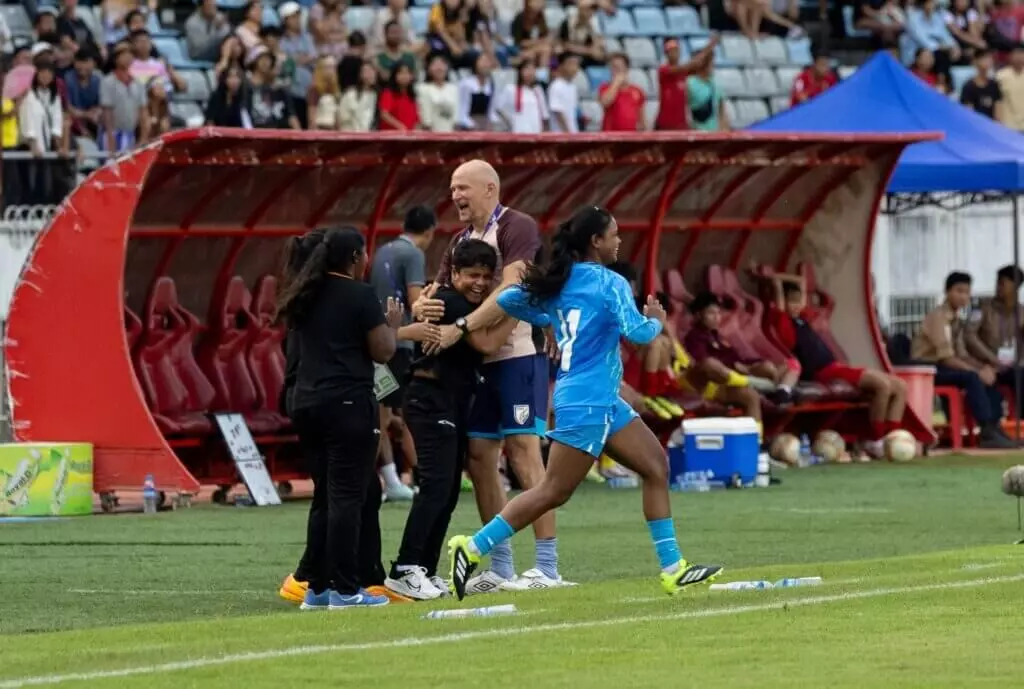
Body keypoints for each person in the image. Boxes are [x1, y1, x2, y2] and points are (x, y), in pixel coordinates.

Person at [447, 206, 723, 600]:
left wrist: (549, 320)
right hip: (588, 400)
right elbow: (640, 334)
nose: (619, 241)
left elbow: (510, 299)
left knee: (657, 467)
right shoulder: (610, 283)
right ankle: (471, 547)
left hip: (600, 399)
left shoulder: (560, 281)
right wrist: (657, 319)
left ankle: (673, 568)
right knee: (553, 491)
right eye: (614, 234)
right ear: (596, 241)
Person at [412, 159, 567, 592]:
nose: (455, 196)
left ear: (490, 188)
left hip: (517, 355)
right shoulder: (460, 240)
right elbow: (437, 290)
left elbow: (514, 286)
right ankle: (500, 567)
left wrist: (463, 327)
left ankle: (548, 567)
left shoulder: (516, 226)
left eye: (462, 187)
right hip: (478, 365)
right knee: (480, 458)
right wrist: (423, 307)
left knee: (523, 453)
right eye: (451, 189)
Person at [277, 227, 403, 610]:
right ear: (354, 258)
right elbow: (382, 351)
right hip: (347, 403)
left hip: (307, 404)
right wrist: (393, 324)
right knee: (348, 498)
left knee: (325, 498)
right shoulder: (360, 294)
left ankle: (316, 589)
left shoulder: (306, 295)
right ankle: (346, 590)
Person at [386, 239, 518, 600]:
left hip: (452, 401)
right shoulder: (451, 301)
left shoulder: (452, 300)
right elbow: (487, 344)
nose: (478, 283)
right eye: (471, 275)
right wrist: (518, 312)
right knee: (435, 485)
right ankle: (404, 568)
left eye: (486, 277)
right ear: (455, 273)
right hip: (431, 399)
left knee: (446, 489)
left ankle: (423, 570)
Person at [768, 273, 910, 458]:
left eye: (798, 301)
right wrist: (774, 279)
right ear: (782, 302)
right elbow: (779, 294)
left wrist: (787, 278)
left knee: (900, 386)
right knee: (882, 385)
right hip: (822, 372)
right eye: (791, 302)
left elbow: (802, 284)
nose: (796, 305)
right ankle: (874, 440)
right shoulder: (783, 321)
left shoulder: (802, 318)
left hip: (835, 366)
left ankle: (892, 437)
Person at [370, 206, 437, 501]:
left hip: (377, 340)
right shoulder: (414, 255)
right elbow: (416, 301)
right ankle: (421, 477)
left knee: (382, 413)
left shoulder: (383, 251)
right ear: (430, 231)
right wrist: (434, 295)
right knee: (400, 415)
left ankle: (391, 479)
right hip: (401, 343)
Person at [911, 271, 1015, 449]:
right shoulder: (939, 317)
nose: (963, 296)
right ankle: (986, 431)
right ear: (947, 291)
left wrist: (984, 368)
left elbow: (962, 354)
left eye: (966, 292)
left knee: (988, 376)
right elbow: (947, 358)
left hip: (944, 366)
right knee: (972, 378)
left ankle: (993, 426)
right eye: (958, 291)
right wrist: (976, 372)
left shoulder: (957, 321)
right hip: (927, 369)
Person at [685, 291, 798, 404]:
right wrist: (741, 367)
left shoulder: (716, 335)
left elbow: (738, 358)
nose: (716, 317)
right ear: (699, 315)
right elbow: (706, 366)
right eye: (711, 313)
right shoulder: (695, 337)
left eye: (718, 313)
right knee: (768, 369)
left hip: (744, 370)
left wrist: (754, 363)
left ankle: (782, 391)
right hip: (730, 379)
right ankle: (781, 390)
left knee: (791, 365)